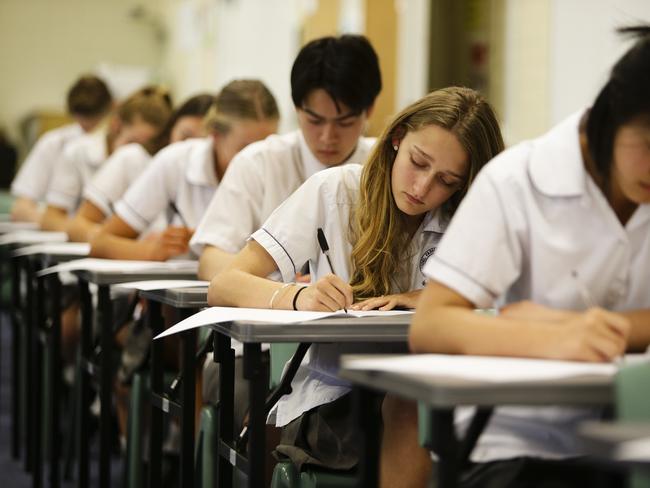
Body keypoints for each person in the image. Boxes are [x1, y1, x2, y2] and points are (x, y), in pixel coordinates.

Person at [208, 87, 504, 483]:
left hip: (447, 393)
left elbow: (505, 297)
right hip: (340, 397)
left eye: (447, 181)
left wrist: (427, 299)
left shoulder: (467, 215)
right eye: (418, 163)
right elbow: (225, 284)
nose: (421, 189)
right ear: (397, 138)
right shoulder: (336, 191)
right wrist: (298, 296)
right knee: (409, 401)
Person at [408, 26, 650, 488]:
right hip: (519, 444)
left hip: (635, 435)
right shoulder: (517, 181)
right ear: (611, 118)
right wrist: (554, 340)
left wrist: (565, 323)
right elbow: (432, 325)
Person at [191, 34, 382, 280]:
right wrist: (282, 285)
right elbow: (211, 261)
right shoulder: (259, 163)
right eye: (314, 120)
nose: (327, 136)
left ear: (369, 110)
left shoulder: (386, 167)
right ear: (296, 108)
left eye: (344, 122)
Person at [89, 79, 279, 261]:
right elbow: (101, 243)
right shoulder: (175, 161)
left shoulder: (281, 166)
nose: (258, 160)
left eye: (267, 148)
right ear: (215, 135)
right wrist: (153, 250)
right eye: (245, 149)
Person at [66, 93, 215, 242]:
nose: (191, 149)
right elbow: (78, 226)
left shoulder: (218, 178)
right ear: (170, 129)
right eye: (185, 137)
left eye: (203, 143)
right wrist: (126, 244)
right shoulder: (133, 158)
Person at [41, 85, 173, 231]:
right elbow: (50, 219)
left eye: (146, 149)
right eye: (132, 142)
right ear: (116, 125)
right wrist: (103, 237)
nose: (137, 153)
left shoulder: (145, 163)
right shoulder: (76, 152)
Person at [10, 75, 113, 222]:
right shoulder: (54, 142)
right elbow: (21, 208)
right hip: (60, 233)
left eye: (93, 118)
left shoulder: (120, 149)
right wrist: (59, 224)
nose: (85, 125)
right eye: (80, 117)